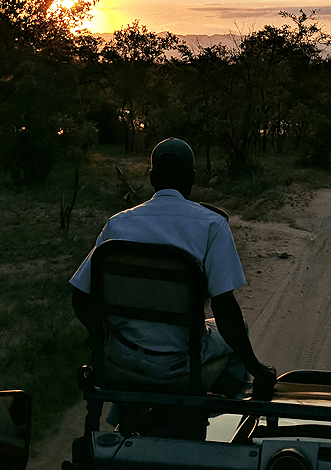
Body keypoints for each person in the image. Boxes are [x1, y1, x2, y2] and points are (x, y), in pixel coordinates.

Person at [70, 137, 277, 401]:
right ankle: (234, 410)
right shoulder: (212, 225)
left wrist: (102, 337)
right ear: (190, 179)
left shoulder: (118, 224)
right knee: (241, 328)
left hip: (123, 357)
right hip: (182, 362)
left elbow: (80, 295)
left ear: (152, 178)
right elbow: (224, 308)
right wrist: (257, 368)